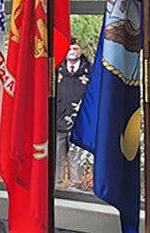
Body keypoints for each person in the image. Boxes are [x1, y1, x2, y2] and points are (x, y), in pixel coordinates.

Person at [55, 37, 91, 189]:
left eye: (75, 49)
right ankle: (56, 184)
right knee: (57, 154)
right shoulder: (57, 69)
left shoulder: (89, 69)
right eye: (69, 49)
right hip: (58, 120)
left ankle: (75, 186)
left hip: (80, 121)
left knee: (76, 155)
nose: (72, 52)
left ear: (80, 50)